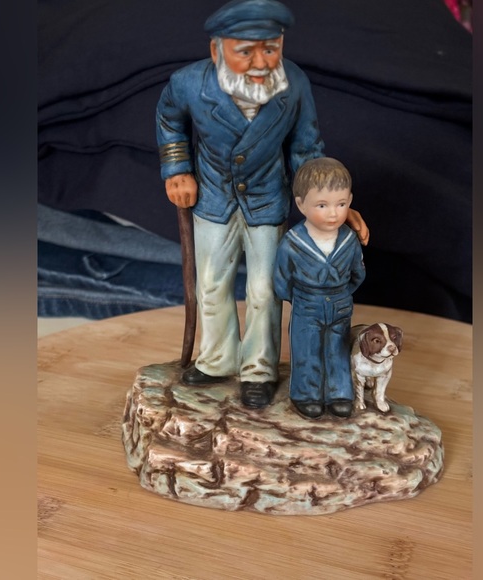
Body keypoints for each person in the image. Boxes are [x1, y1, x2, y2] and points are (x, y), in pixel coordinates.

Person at [156, 0, 368, 409]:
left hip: (268, 199)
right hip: (213, 197)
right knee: (211, 282)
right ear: (217, 49)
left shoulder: (294, 84)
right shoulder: (188, 84)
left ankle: (258, 369)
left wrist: (327, 206)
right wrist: (177, 170)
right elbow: (169, 119)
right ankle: (217, 360)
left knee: (264, 288)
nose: (260, 62)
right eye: (245, 51)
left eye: (270, 49)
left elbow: (306, 148)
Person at [273, 158, 366, 419]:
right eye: (322, 205)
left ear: (350, 200)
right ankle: (306, 394)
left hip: (339, 303)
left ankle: (339, 393)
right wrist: (298, 299)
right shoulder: (292, 243)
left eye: (341, 204)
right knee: (307, 349)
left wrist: (342, 294)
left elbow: (358, 273)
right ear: (301, 204)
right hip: (306, 303)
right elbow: (281, 278)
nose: (333, 213)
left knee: (338, 349)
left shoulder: (349, 240)